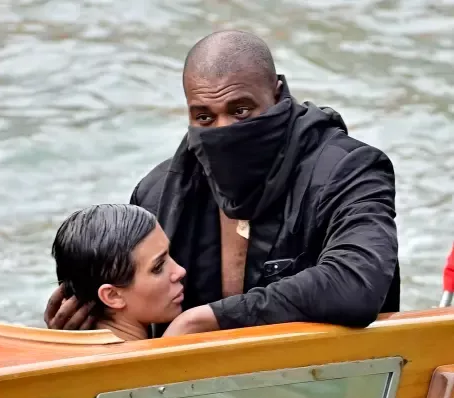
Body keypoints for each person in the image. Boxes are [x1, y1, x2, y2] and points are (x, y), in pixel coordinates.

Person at [45, 30, 399, 338]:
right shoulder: (158, 193)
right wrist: (90, 331)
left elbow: (358, 282)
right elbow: (127, 306)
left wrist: (205, 320)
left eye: (240, 111)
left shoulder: (350, 170)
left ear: (277, 96)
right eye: (204, 117)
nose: (224, 131)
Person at [51, 204, 185, 341]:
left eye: (170, 254)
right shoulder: (182, 334)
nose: (181, 271)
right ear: (113, 295)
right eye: (158, 267)